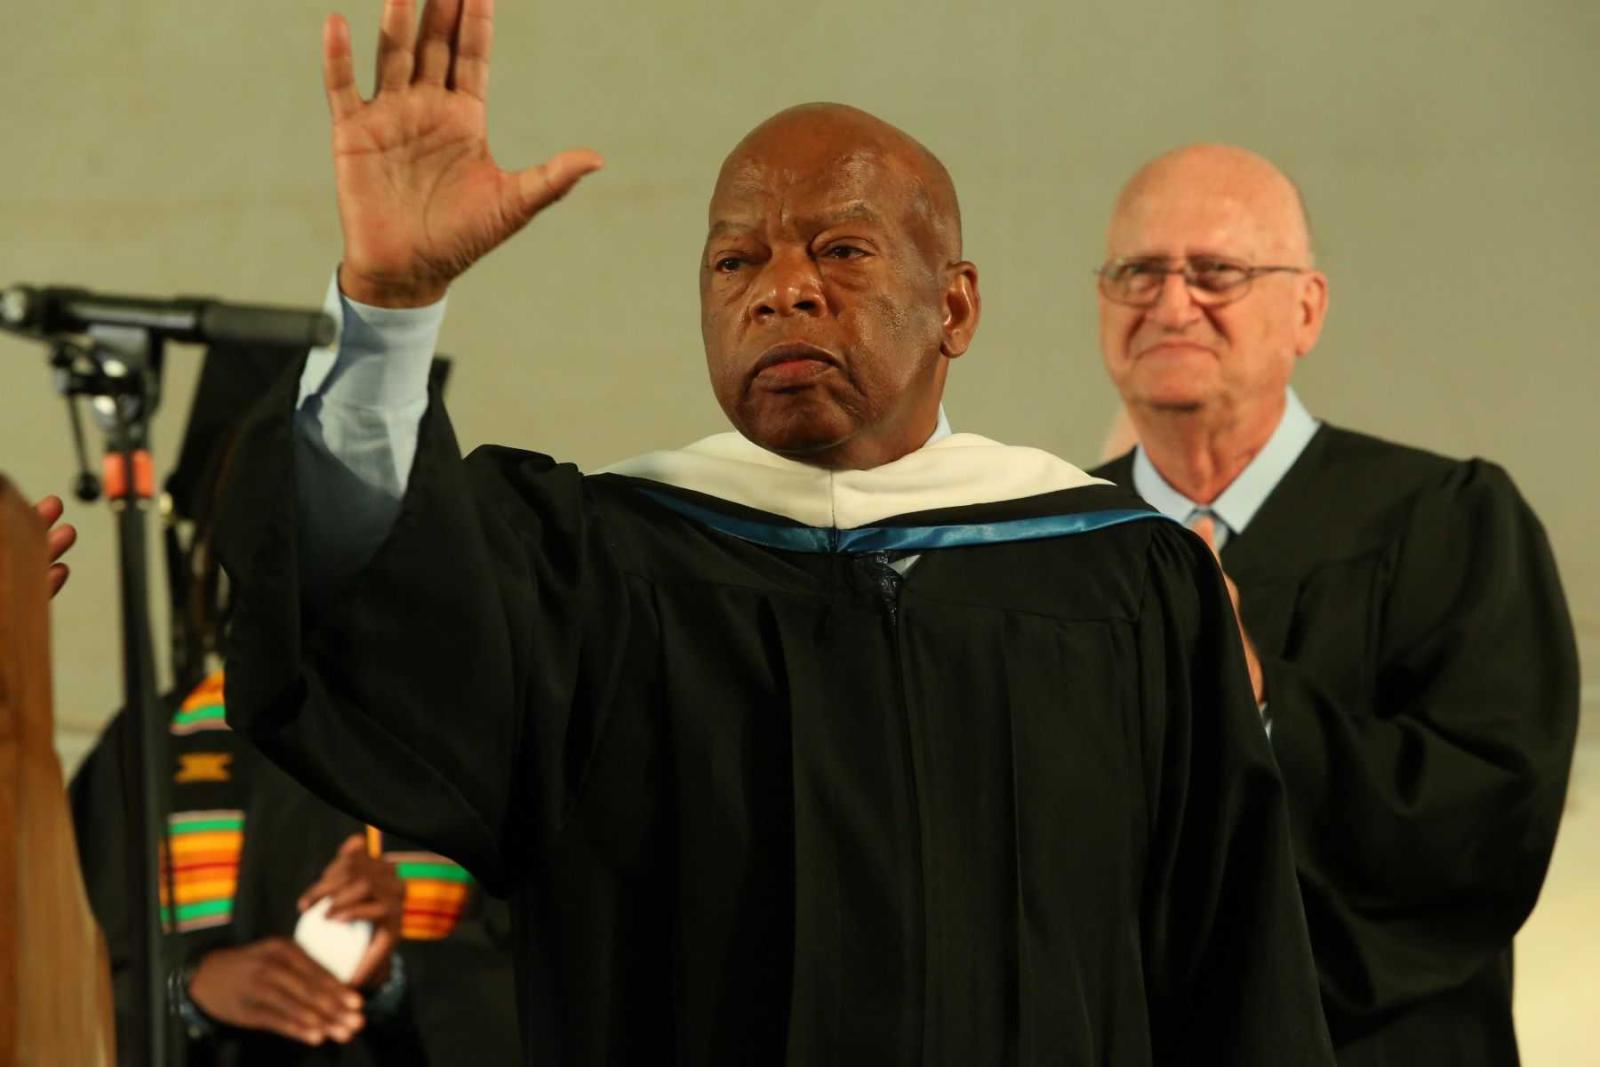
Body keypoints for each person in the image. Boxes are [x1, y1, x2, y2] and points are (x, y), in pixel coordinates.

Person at [214, 1, 1338, 1061]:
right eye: (734, 260)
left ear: (954, 305)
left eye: (840, 251)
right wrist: (389, 306)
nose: (779, 290)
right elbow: (357, 621)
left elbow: (1234, 970)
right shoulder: (594, 568)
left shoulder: (1116, 576)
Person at [1087, 143, 1579, 1066]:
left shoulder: (1447, 523)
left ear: (1306, 309)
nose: (1170, 302)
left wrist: (1258, 698)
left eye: (1216, 272)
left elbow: (1485, 830)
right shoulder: (1045, 542)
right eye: (1136, 272)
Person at [69, 343, 520, 1065]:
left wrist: (401, 975)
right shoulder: (150, 745)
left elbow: (565, 988)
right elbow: (53, 971)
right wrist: (190, 988)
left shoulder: (481, 749)